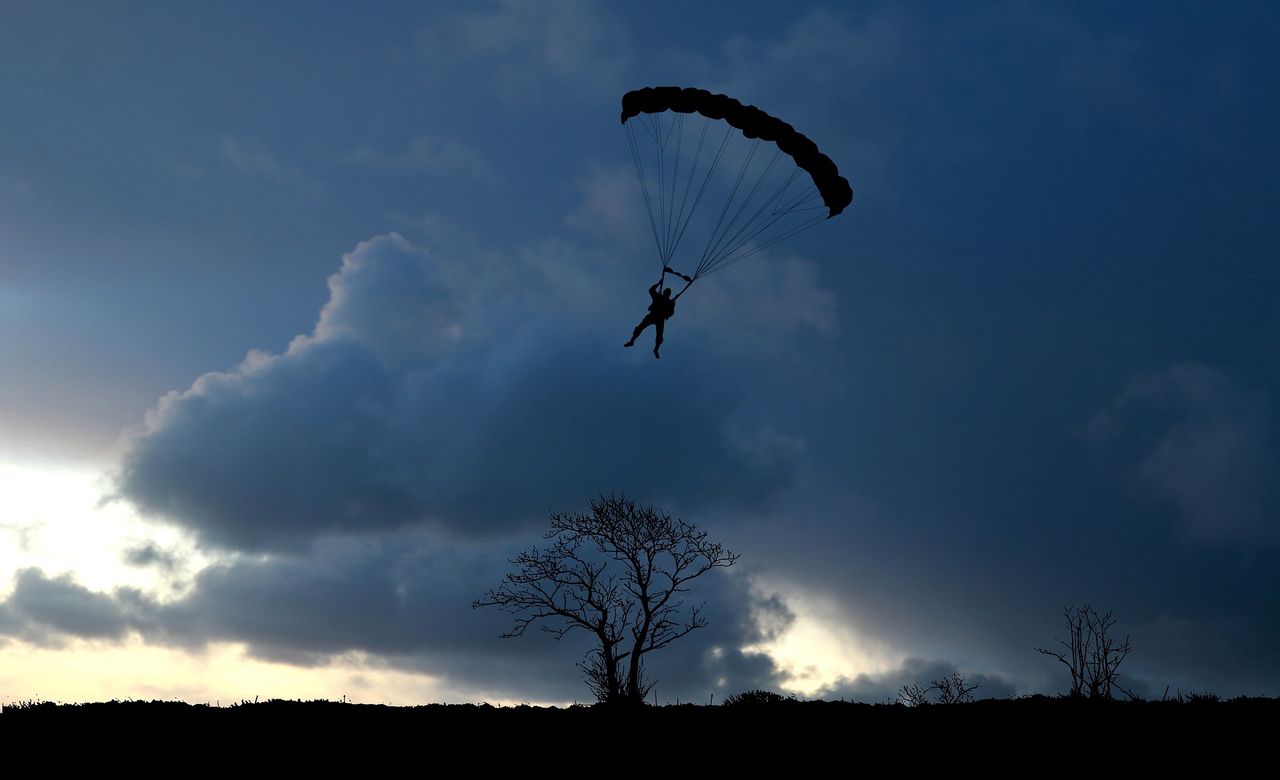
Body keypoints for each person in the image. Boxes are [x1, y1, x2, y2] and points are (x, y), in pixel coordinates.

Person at [624, 267, 693, 359]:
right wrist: (659, 283)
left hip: (660, 318)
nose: (667, 293)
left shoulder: (668, 301)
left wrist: (671, 307)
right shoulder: (659, 297)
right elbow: (651, 290)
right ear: (664, 292)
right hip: (653, 316)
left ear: (669, 294)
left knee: (659, 337)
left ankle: (656, 349)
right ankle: (632, 341)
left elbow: (671, 313)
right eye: (666, 292)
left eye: (668, 293)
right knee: (639, 328)